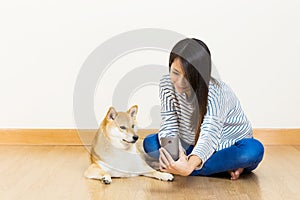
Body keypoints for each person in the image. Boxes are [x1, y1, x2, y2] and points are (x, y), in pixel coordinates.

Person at [143, 38, 264, 180]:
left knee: (252, 151)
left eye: (188, 77)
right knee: (150, 143)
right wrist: (177, 155)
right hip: (192, 145)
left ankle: (188, 168)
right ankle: (220, 167)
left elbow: (209, 135)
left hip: (227, 146)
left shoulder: (218, 92)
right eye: (175, 72)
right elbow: (169, 123)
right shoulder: (166, 84)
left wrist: (187, 168)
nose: (180, 82)